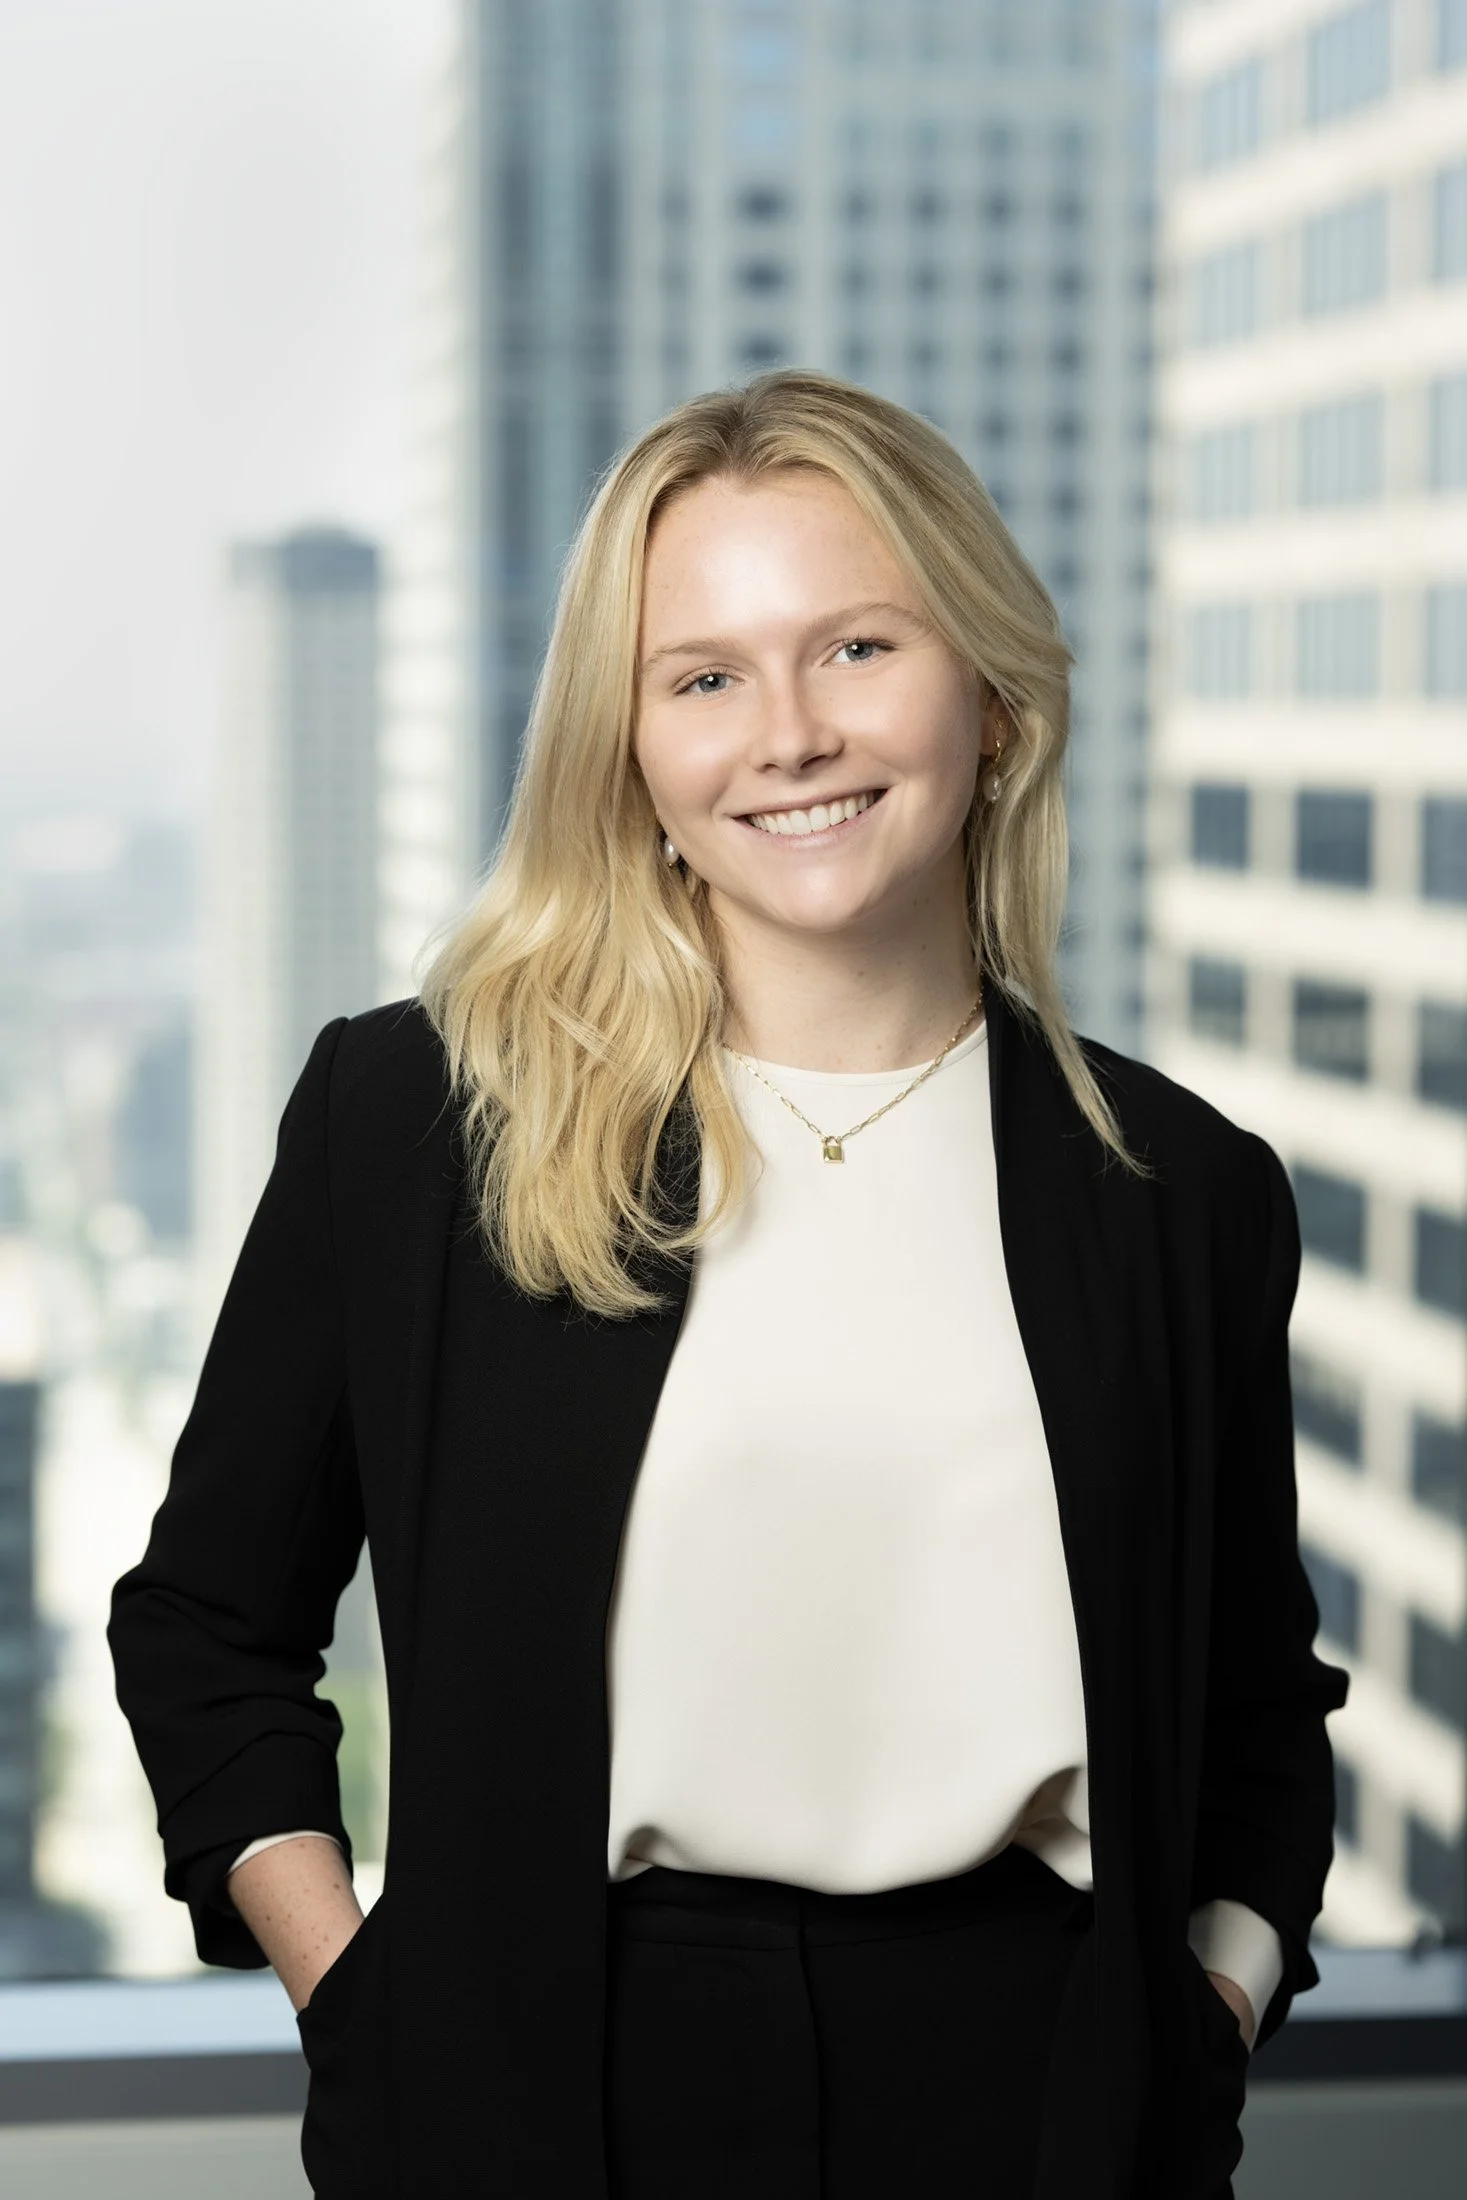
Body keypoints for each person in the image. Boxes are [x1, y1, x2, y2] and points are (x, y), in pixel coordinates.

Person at [109, 368, 1350, 2200]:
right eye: (702, 676)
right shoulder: (421, 1120)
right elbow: (207, 1628)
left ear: (990, 707)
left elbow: (1253, 1706)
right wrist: (363, 1994)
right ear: (632, 755)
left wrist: (1207, 2021)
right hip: (546, 2085)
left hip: (1038, 2097)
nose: (787, 735)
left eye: (855, 648)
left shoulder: (1176, 1197)